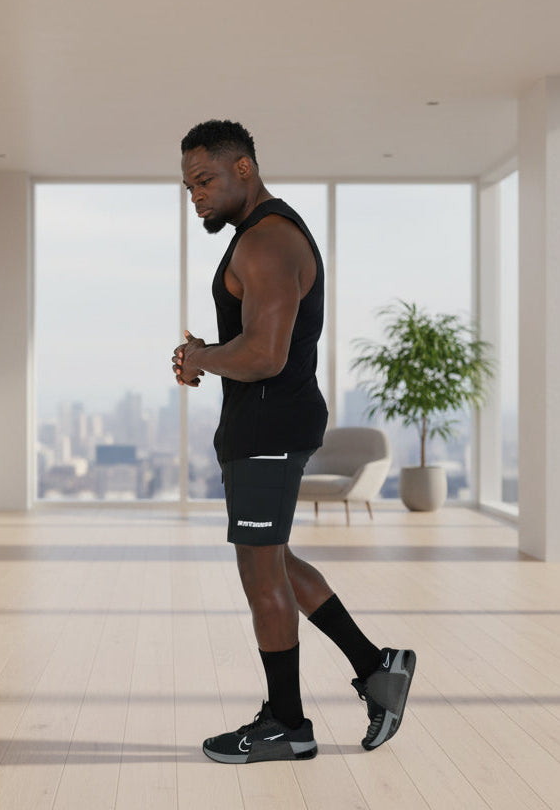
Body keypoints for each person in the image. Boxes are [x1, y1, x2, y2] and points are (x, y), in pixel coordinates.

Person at [173, 119, 416, 764]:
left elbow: (265, 354)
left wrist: (202, 355)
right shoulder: (263, 236)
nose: (196, 194)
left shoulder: (268, 241)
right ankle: (376, 667)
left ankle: (288, 724)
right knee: (274, 561)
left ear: (244, 169)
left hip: (269, 425)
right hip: (269, 422)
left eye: (206, 179)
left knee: (260, 573)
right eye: (189, 184)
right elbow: (251, 347)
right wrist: (207, 355)